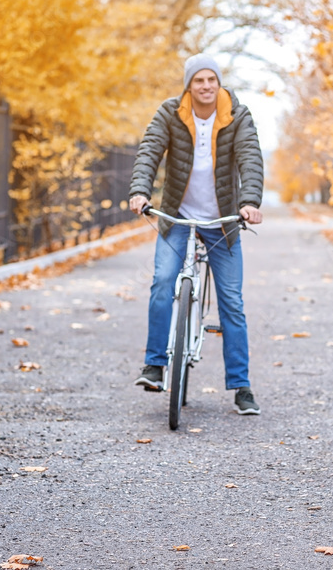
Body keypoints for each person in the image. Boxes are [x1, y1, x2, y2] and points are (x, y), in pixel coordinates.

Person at [128, 53, 264, 415]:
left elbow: (250, 158)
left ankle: (241, 387)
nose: (206, 86)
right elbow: (149, 152)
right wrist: (140, 191)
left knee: (232, 303)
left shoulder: (238, 114)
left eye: (212, 80)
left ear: (219, 83)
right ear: (189, 84)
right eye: (198, 80)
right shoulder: (171, 112)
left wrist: (250, 201)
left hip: (223, 221)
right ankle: (155, 365)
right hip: (178, 215)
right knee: (161, 282)